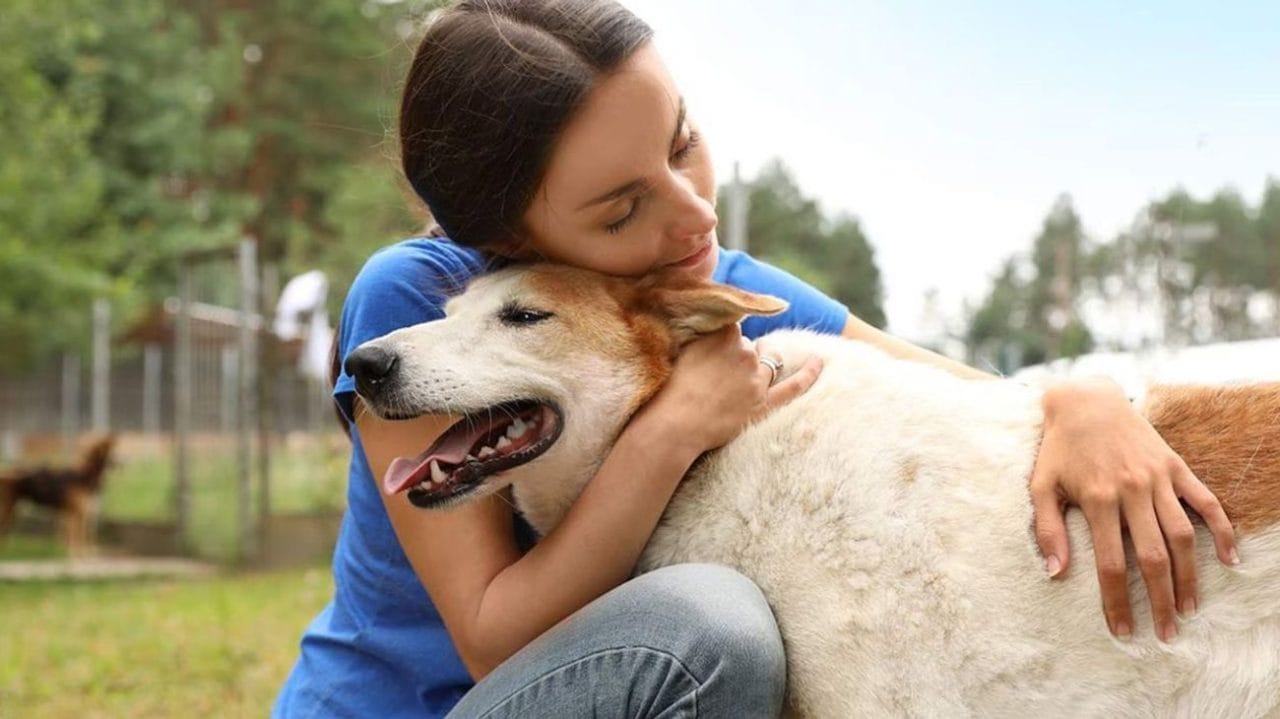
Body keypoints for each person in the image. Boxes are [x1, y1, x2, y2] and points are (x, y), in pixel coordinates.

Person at [274, 1, 1240, 716]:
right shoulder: (414, 304)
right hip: (434, 706)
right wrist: (675, 428)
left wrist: (1087, 396)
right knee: (714, 628)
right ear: (503, 239)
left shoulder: (701, 280)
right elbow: (492, 641)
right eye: (622, 209)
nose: (695, 212)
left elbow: (975, 399)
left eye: (683, 143)